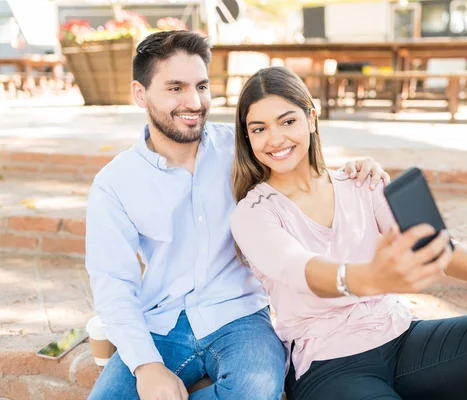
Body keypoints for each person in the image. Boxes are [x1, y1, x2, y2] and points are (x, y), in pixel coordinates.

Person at [230, 66, 467, 400]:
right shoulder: (254, 213)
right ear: (247, 136)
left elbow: (435, 248)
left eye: (287, 121)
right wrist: (366, 277)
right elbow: (300, 269)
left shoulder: (360, 183)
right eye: (259, 128)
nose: (274, 139)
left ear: (311, 118)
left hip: (402, 339)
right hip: (328, 366)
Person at [85, 31, 388, 400]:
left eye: (201, 86)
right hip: (160, 324)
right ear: (140, 94)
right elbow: (112, 284)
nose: (194, 102)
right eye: (176, 88)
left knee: (256, 390)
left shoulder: (242, 145)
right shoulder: (114, 183)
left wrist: (357, 167)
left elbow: (298, 162)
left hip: (240, 314)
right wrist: (147, 367)